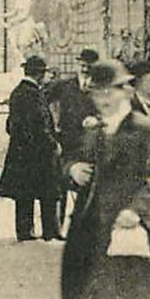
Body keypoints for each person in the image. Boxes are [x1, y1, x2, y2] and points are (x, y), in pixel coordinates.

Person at [60, 59, 150, 299]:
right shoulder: (94, 133)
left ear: (126, 91)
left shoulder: (148, 130)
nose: (102, 99)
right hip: (98, 238)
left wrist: (136, 211)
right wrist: (72, 171)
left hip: (137, 236)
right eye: (96, 92)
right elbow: (69, 161)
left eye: (109, 91)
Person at [0, 55, 63, 242]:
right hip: (39, 151)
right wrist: (52, 143)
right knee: (48, 192)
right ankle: (50, 231)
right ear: (39, 74)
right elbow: (39, 124)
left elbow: (10, 125)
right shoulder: (33, 94)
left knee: (23, 193)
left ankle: (24, 231)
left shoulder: (18, 92)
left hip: (21, 152)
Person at [54, 49, 101, 234]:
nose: (85, 68)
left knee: (90, 187)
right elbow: (42, 101)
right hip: (67, 143)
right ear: (77, 65)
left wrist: (98, 119)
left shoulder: (102, 89)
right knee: (61, 186)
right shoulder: (64, 86)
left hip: (92, 146)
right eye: (82, 64)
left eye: (89, 65)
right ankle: (57, 228)